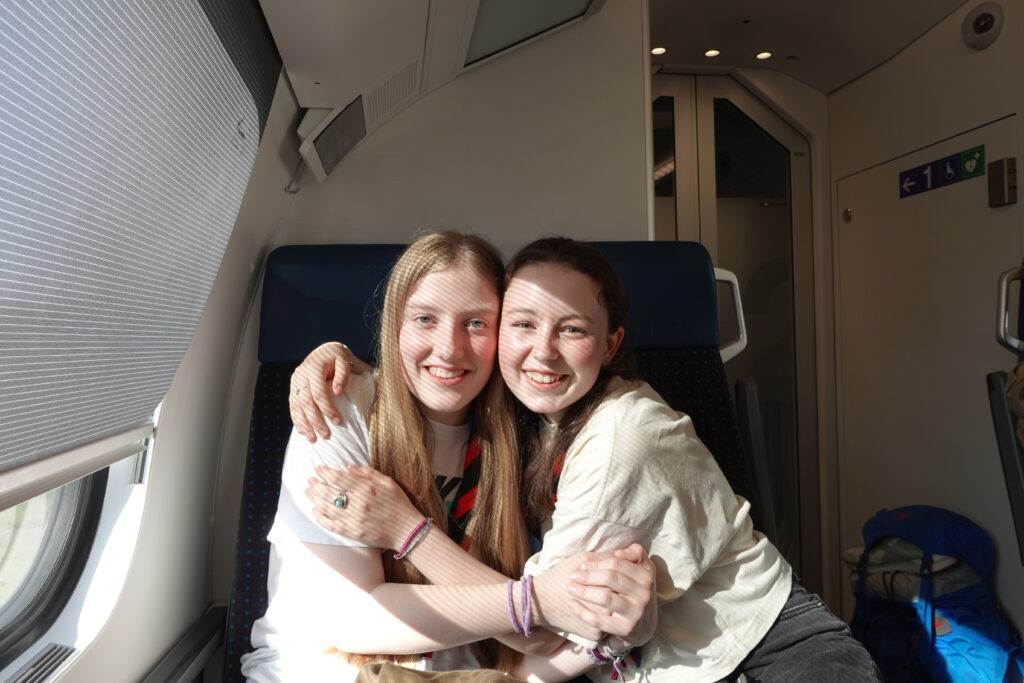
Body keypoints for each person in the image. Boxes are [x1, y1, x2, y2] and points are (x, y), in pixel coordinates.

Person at [296, 237, 881, 682]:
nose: (542, 353)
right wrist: (337, 358)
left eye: (572, 330)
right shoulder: (527, 411)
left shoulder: (622, 441)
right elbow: (433, 364)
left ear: (610, 345)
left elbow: (540, 626)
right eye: (523, 324)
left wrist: (406, 529)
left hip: (765, 655)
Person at [241, 232, 656, 682]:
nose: (449, 349)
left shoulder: (522, 437)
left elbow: (526, 659)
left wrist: (610, 636)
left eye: (475, 323)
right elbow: (350, 619)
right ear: (395, 325)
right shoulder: (340, 409)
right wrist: (529, 605)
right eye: (424, 319)